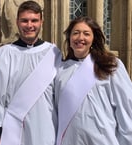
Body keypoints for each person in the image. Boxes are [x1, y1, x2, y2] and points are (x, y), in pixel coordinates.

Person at [0, 1, 62, 145]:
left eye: (34, 20)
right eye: (24, 20)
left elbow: (60, 95)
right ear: (17, 22)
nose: (29, 25)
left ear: (41, 22)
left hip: (46, 128)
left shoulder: (53, 52)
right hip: (13, 129)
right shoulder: (6, 53)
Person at [55, 16, 132, 145]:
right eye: (75, 33)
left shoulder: (111, 65)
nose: (80, 38)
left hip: (102, 140)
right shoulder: (60, 70)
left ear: (94, 39)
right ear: (69, 38)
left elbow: (126, 107)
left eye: (86, 34)